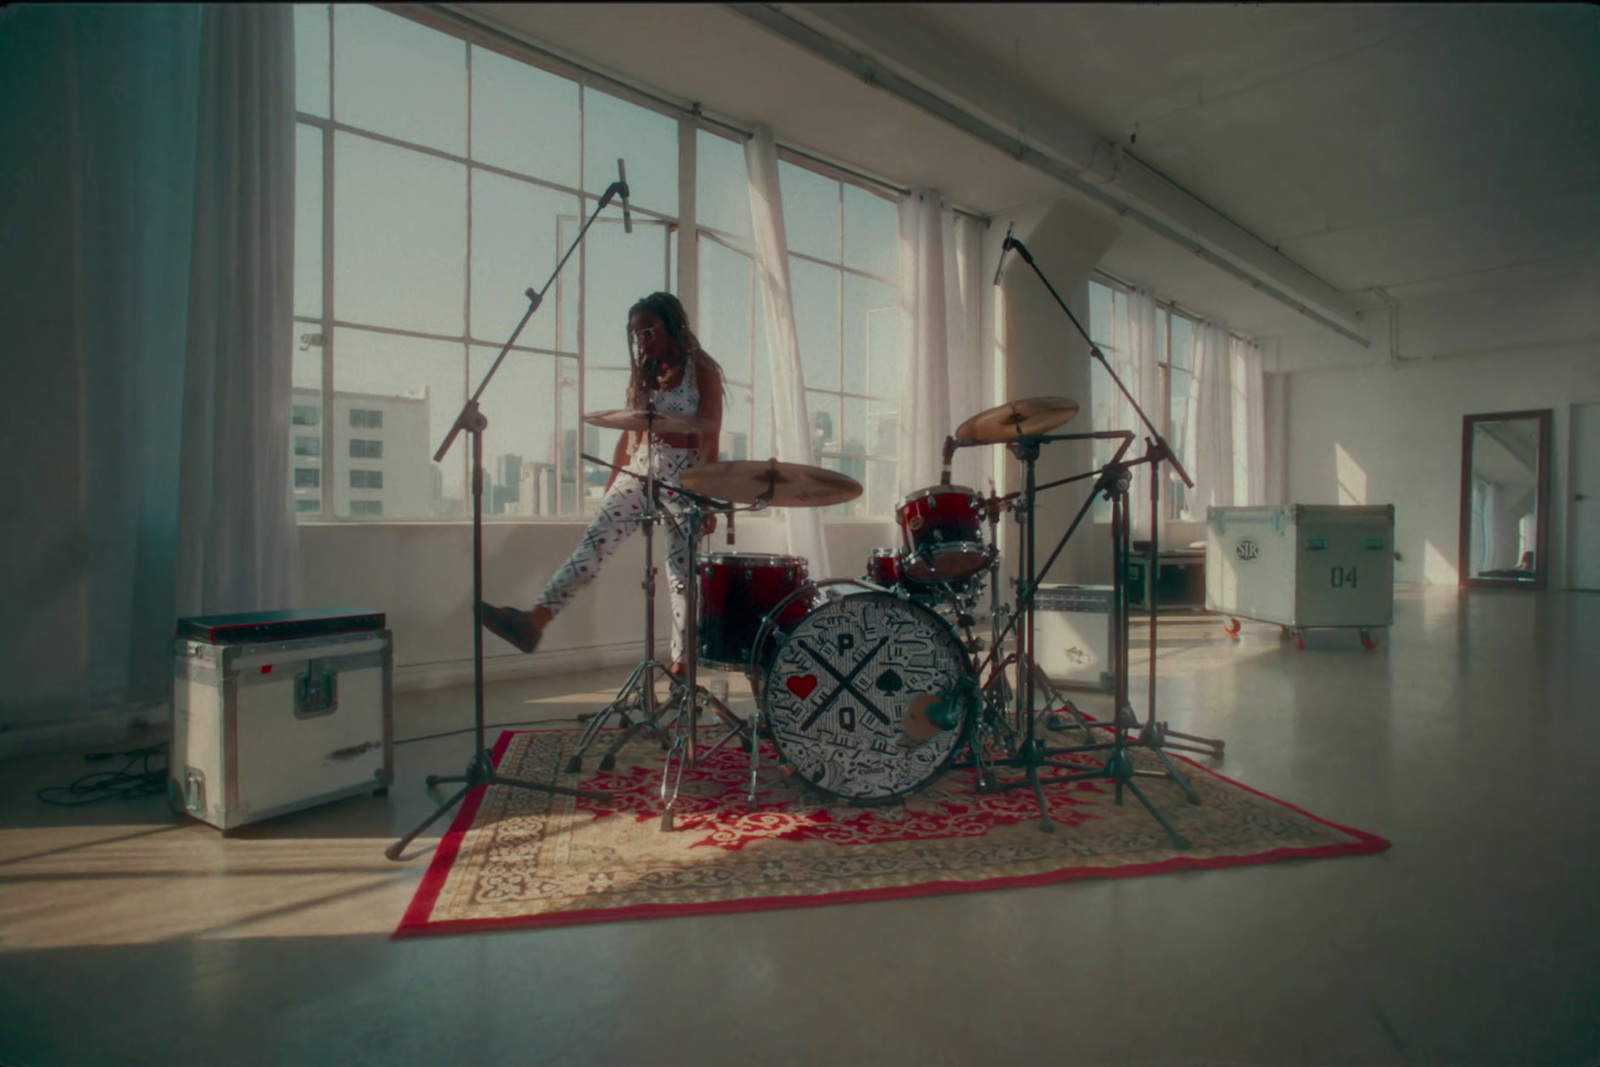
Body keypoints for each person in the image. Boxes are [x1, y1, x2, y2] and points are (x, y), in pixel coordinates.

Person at [479, 292, 723, 675]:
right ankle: (534, 622)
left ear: (671, 323)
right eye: (635, 334)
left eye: (648, 329)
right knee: (592, 547)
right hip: (639, 471)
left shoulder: (701, 368)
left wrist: (706, 498)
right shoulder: (644, 371)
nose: (641, 339)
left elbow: (710, 436)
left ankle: (681, 667)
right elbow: (627, 435)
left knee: (682, 577)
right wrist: (613, 486)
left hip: (684, 476)